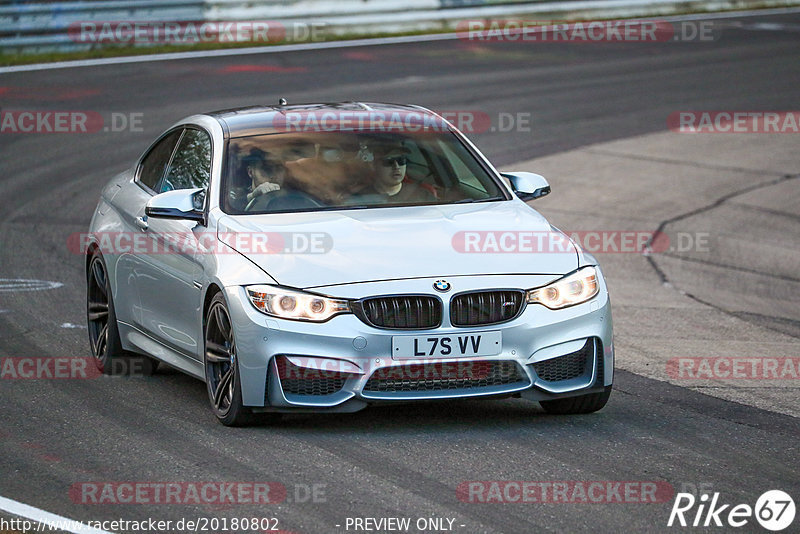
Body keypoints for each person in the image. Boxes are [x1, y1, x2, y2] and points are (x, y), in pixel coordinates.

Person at [353, 144, 436, 203]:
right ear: (374, 165)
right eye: (389, 161)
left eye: (401, 160)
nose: (396, 166)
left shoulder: (425, 197)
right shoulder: (358, 199)